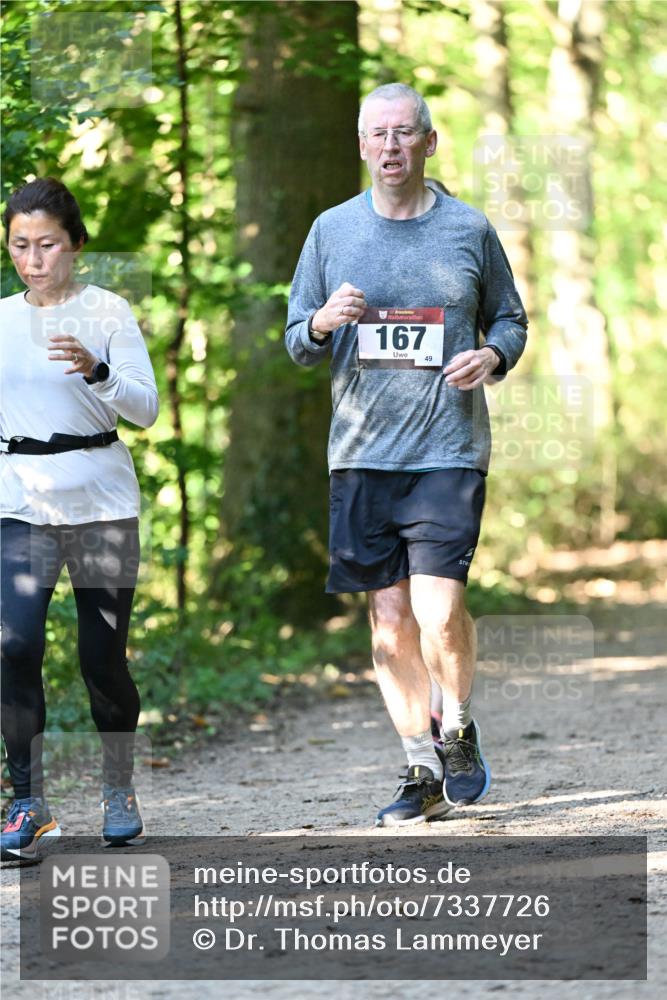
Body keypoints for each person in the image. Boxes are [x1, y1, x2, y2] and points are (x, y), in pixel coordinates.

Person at [285, 83, 528, 827]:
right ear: (361, 146)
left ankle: (455, 724)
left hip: (447, 448)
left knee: (438, 607)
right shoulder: (331, 232)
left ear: (429, 141)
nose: (390, 146)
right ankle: (419, 767)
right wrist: (322, 322)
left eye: (403, 133)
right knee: (388, 623)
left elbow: (511, 320)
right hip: (360, 456)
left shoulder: (467, 230)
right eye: (377, 134)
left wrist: (490, 355)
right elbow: (296, 339)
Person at [0, 178, 159, 859]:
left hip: (101, 503)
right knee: (13, 644)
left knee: (102, 659)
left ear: (76, 245)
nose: (34, 260)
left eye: (47, 245)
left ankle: (118, 787)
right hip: (19, 502)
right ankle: (28, 801)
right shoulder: (2, 319)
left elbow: (145, 409)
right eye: (19, 246)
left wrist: (98, 372)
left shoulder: (109, 312)